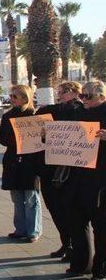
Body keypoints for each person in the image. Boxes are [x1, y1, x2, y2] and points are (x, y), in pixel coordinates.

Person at [36, 81, 83, 261]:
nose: (59, 94)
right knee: (54, 207)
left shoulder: (78, 110)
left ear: (72, 92)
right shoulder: (56, 108)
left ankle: (72, 245)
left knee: (65, 208)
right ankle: (66, 242)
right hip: (50, 165)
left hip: (65, 167)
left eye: (62, 92)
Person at [65, 81, 106, 280]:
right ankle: (81, 264)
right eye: (83, 95)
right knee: (77, 223)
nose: (84, 99)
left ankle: (100, 268)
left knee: (101, 226)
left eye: (88, 96)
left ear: (102, 96)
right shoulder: (80, 113)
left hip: (100, 180)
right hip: (79, 178)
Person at [0, 84, 41, 243]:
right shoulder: (7, 116)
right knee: (16, 197)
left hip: (30, 161)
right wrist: (15, 138)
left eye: (15, 96)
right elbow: (2, 138)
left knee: (31, 198)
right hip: (12, 160)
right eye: (11, 95)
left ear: (25, 98)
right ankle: (20, 228)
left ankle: (33, 230)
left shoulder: (34, 115)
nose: (11, 98)